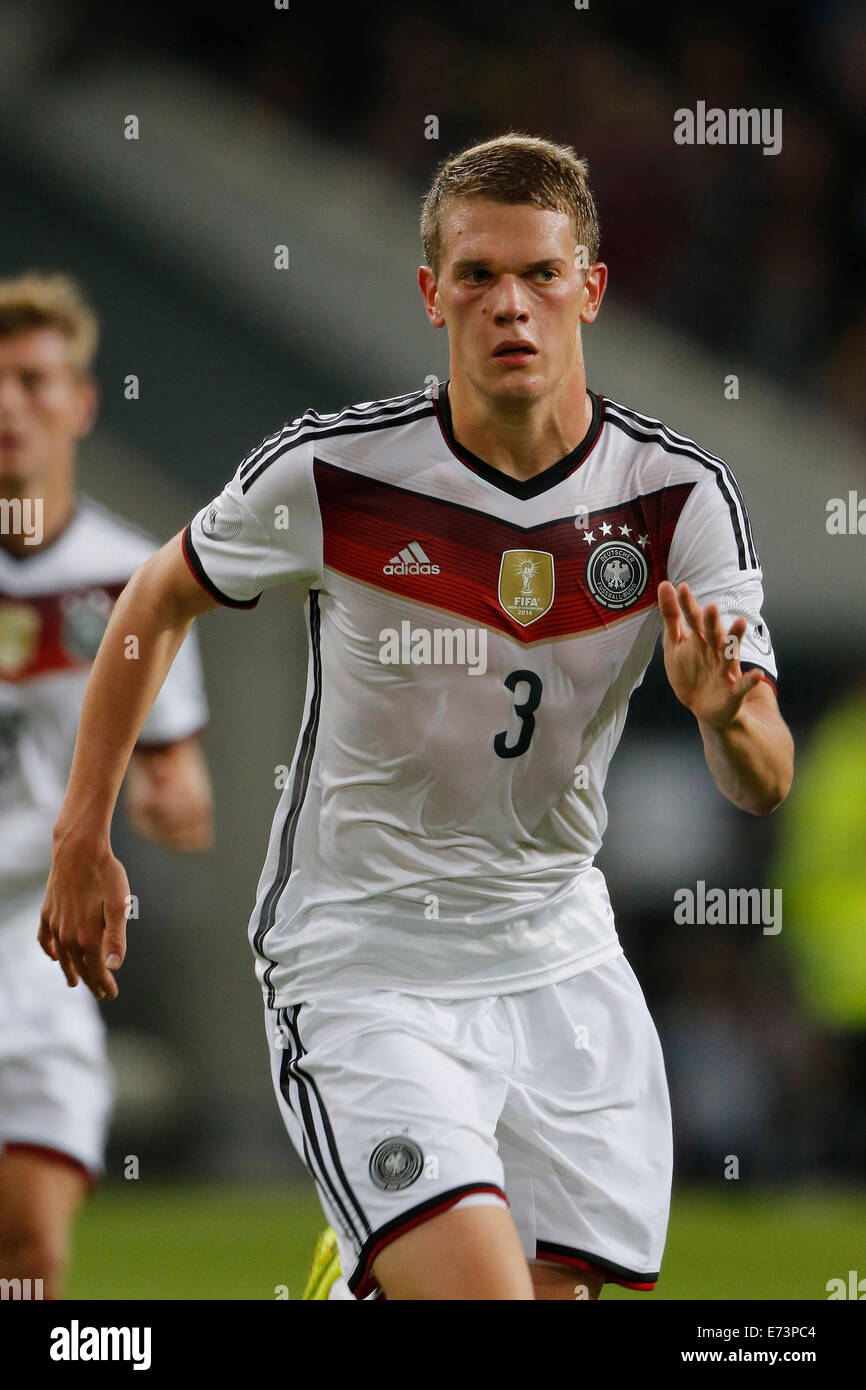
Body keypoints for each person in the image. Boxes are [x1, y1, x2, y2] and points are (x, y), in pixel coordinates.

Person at [38, 135, 793, 1301]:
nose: (510, 305)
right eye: (477, 274)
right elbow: (155, 593)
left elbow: (765, 779)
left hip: (556, 955)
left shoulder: (675, 498)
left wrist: (723, 722)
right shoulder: (339, 474)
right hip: (364, 955)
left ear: (588, 288)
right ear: (430, 290)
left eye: (540, 275)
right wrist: (81, 833)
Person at [0, 272, 213, 1299]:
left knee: (32, 1252)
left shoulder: (136, 579)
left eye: (35, 381)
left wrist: (172, 804)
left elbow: (180, 775)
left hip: (36, 951)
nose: (10, 406)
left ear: (80, 403)